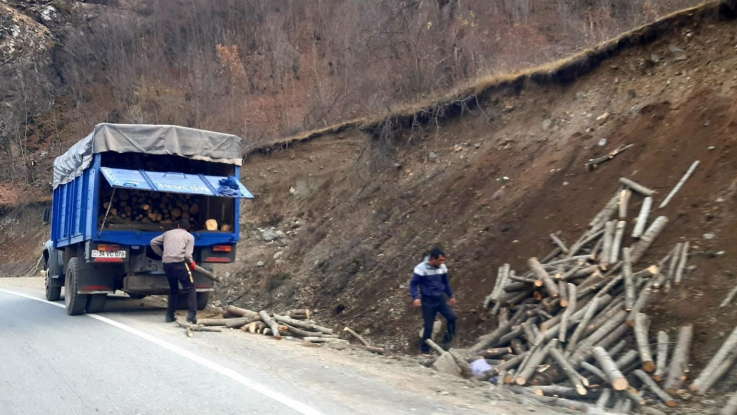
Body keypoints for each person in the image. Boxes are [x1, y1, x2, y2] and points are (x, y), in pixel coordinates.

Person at [410, 248, 457, 354]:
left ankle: (447, 342)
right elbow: (413, 284)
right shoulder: (421, 268)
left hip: (440, 299)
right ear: (432, 259)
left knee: (452, 317)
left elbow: (446, 283)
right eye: (440, 260)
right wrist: (416, 297)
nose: (442, 262)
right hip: (428, 301)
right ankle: (425, 351)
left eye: (443, 260)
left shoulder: (442, 267)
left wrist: (451, 296)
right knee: (428, 326)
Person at [150, 218, 197, 324]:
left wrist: (162, 254)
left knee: (173, 289)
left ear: (178, 225)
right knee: (190, 288)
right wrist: (191, 263)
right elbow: (187, 255)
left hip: (167, 264)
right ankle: (192, 315)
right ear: (188, 228)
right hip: (179, 264)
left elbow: (153, 242)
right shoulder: (189, 237)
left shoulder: (168, 233)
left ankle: (170, 315)